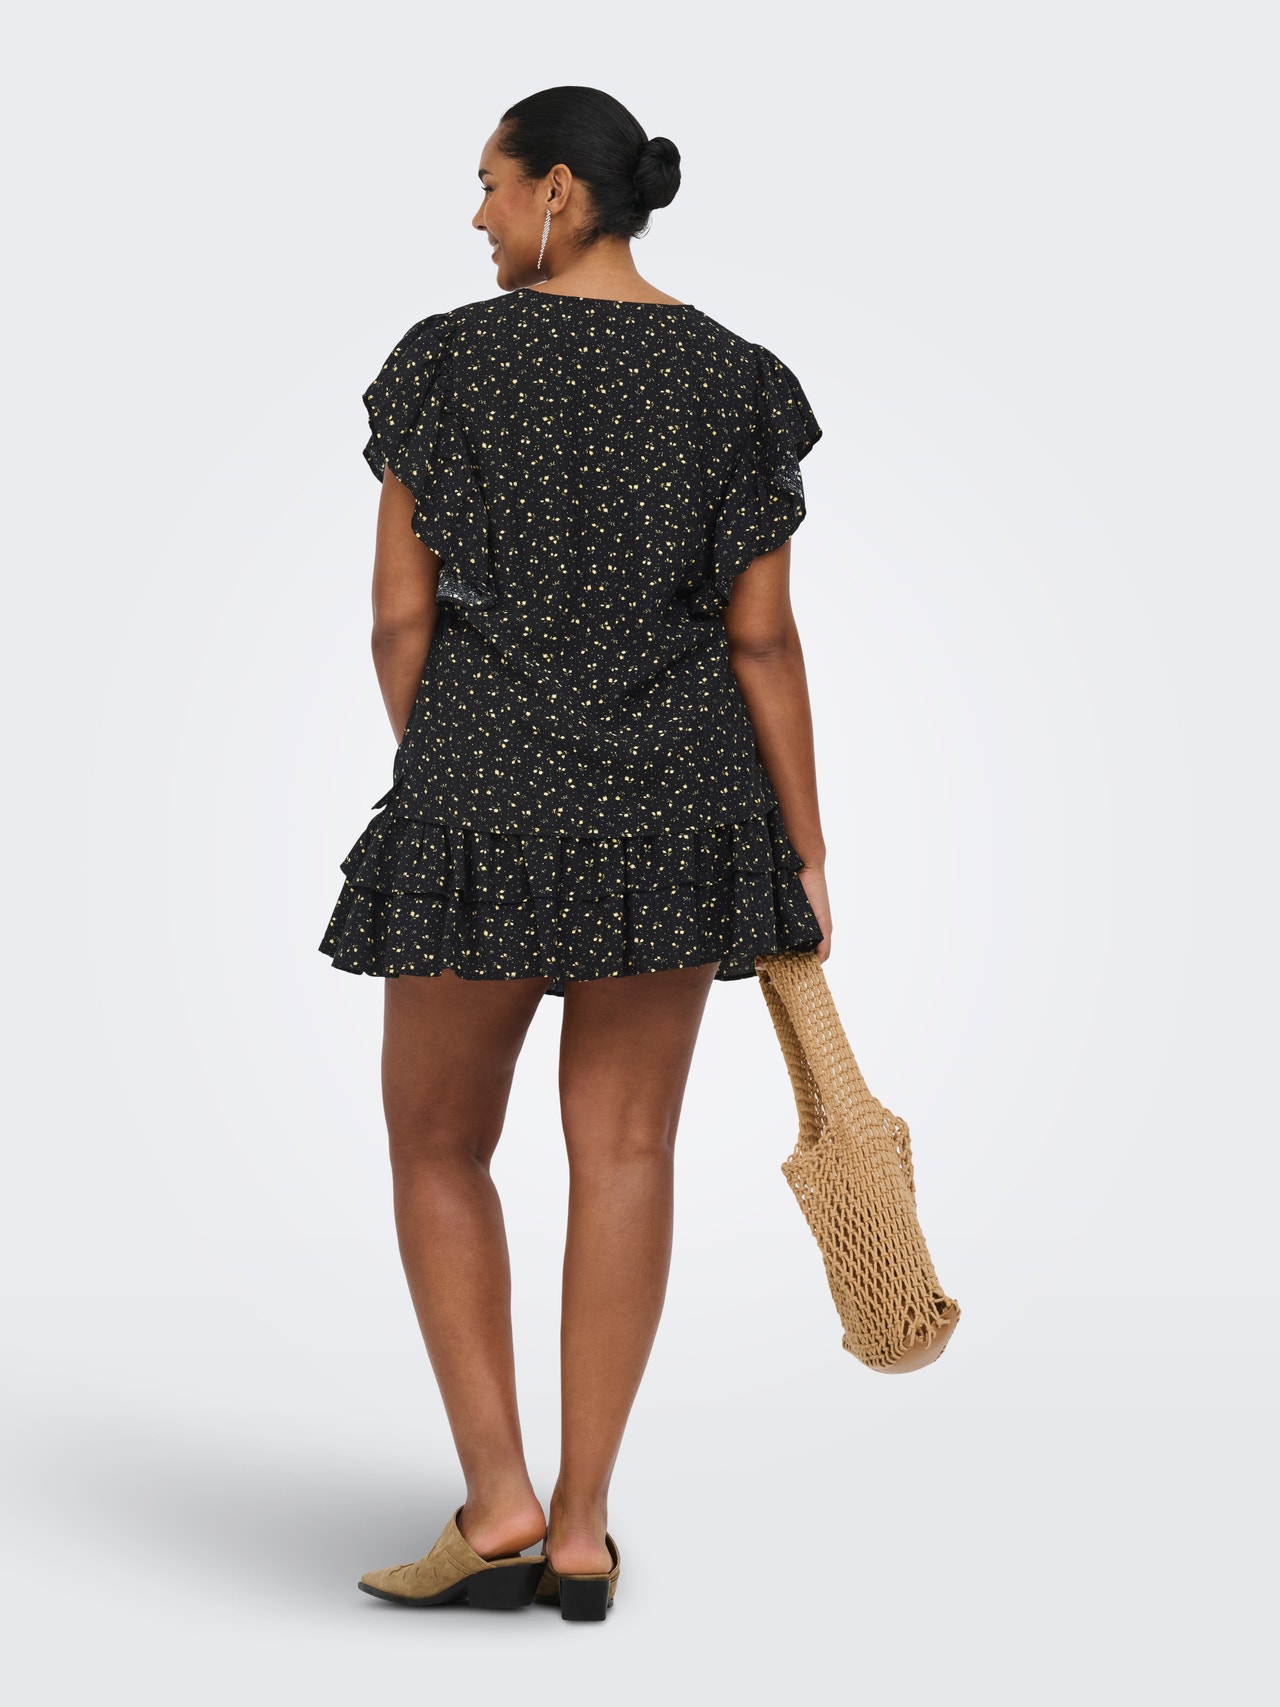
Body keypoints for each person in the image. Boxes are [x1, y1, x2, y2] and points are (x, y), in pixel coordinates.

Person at [318, 85, 832, 1621]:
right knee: (625, 1152)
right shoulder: (740, 381)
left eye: (487, 184)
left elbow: (398, 618)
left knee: (436, 1145)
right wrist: (805, 854)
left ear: (557, 191)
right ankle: (588, 1527)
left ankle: (498, 1505)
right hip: (677, 810)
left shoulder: (444, 361)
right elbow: (762, 638)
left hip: (479, 798)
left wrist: (460, 768)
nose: (475, 214)